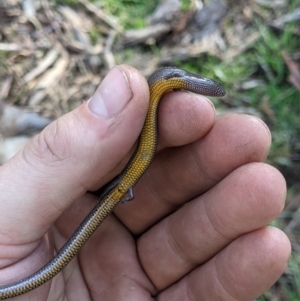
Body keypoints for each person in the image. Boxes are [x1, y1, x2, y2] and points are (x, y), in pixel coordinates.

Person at [0, 65, 290, 300]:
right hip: (120, 189)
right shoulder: (166, 81)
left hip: (123, 188)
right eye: (211, 90)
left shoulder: (173, 83)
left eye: (212, 91)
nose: (214, 92)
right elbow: (166, 81)